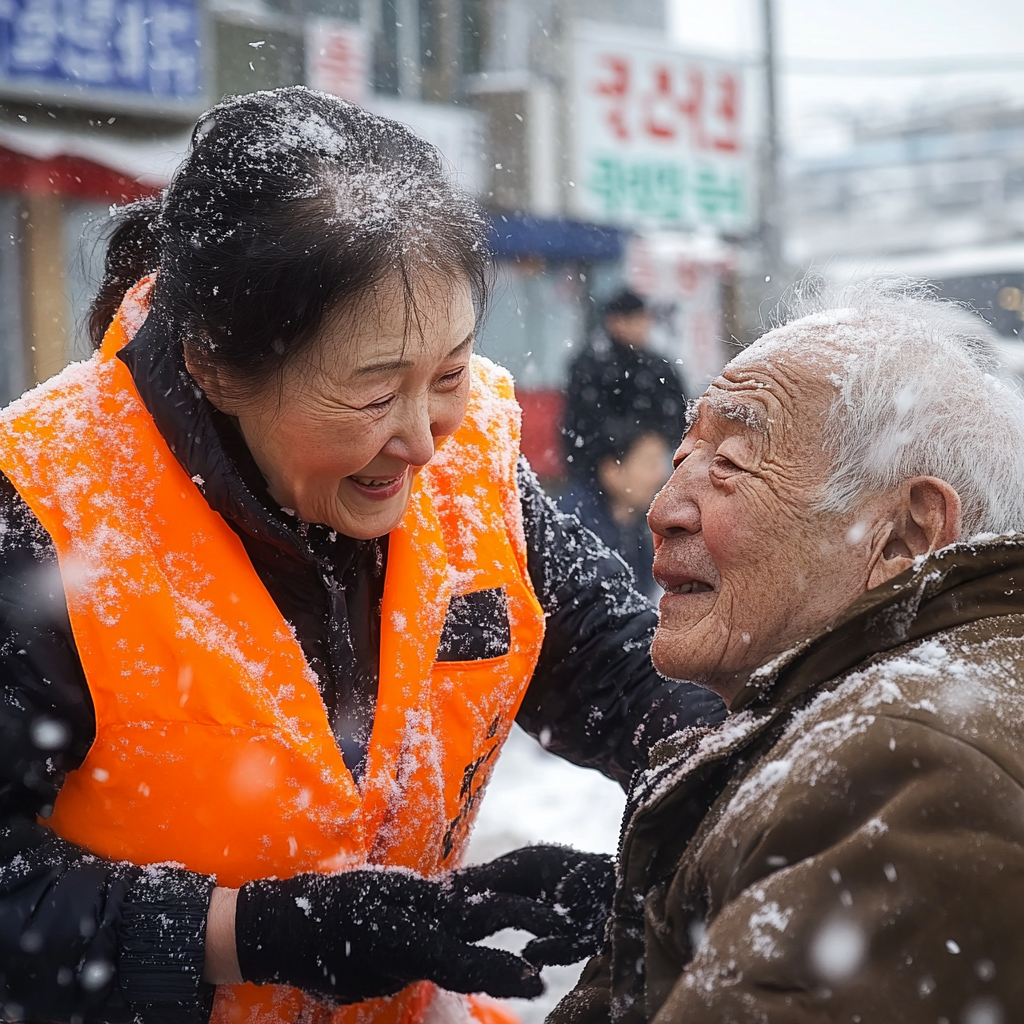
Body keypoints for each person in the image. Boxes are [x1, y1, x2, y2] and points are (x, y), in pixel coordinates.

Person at [0, 89, 725, 1023]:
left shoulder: (472, 461)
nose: (423, 441)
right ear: (214, 363)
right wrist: (251, 932)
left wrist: (720, 791)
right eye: (374, 392)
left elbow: (618, 666)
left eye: (450, 372)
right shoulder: (44, 512)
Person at [551, 280, 1024, 1024]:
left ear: (904, 537)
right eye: (683, 454)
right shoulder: (921, 703)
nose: (664, 510)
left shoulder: (905, 768)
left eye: (731, 465)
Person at [562, 290, 686, 483]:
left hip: (652, 468)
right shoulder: (590, 366)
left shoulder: (658, 367)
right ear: (614, 322)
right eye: (635, 320)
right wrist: (629, 445)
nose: (643, 326)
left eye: (645, 320)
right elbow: (585, 421)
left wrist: (653, 443)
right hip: (597, 473)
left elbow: (679, 414)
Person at [557, 424, 671, 600]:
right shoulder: (572, 529)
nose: (660, 475)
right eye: (650, 464)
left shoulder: (639, 528)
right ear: (612, 471)